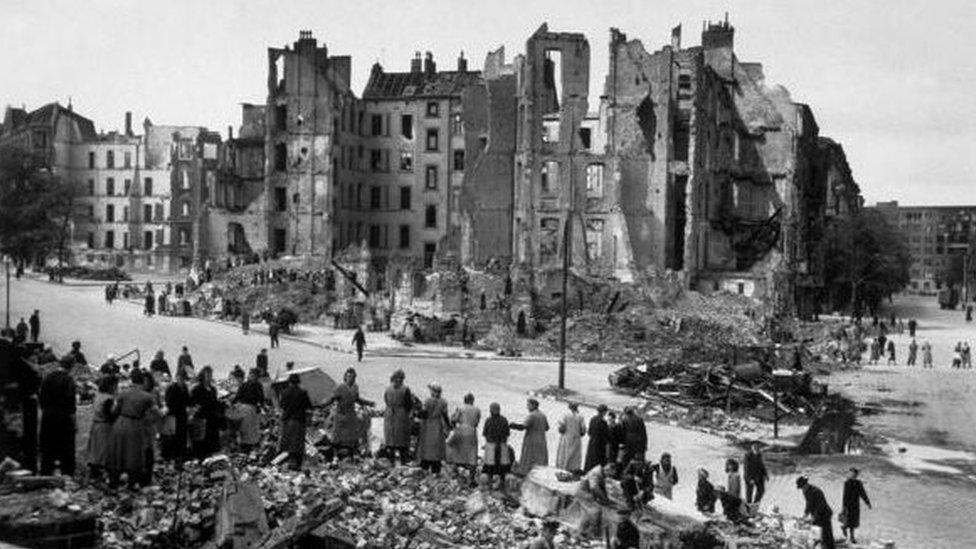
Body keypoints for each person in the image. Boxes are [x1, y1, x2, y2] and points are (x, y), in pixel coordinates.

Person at [109, 369, 159, 487]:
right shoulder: (148, 397)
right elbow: (156, 414)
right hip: (135, 425)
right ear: (143, 382)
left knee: (119, 452)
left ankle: (114, 480)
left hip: (120, 423)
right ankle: (132, 482)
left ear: (132, 380)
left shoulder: (123, 393)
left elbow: (114, 411)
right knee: (134, 454)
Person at [39, 356, 78, 475]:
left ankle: (46, 473)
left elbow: (41, 398)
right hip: (63, 417)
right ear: (71, 366)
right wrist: (74, 423)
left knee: (48, 447)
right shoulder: (69, 380)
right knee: (66, 449)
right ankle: (66, 474)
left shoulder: (48, 377)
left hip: (48, 416)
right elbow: (71, 406)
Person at [323, 368, 374, 456]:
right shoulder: (340, 388)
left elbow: (357, 399)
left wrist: (368, 403)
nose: (351, 378)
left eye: (353, 377)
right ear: (345, 377)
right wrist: (323, 405)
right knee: (337, 436)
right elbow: (333, 399)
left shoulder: (355, 387)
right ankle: (336, 456)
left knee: (351, 437)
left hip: (351, 415)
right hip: (341, 415)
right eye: (349, 376)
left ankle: (351, 455)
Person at [87, 375, 118, 481]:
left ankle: (94, 472)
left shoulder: (98, 395)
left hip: (96, 424)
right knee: (103, 450)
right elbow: (109, 415)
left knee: (95, 449)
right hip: (104, 426)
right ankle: (100, 472)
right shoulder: (108, 399)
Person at [279, 373, 312, 470]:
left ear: (289, 382)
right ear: (298, 382)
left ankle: (288, 462)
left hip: (288, 420)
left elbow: (282, 406)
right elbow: (308, 406)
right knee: (298, 443)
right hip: (299, 420)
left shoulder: (284, 392)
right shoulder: (303, 393)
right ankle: (297, 464)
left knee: (288, 442)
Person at [417, 383, 450, 474]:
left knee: (426, 446)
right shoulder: (444, 402)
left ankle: (425, 467)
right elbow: (445, 416)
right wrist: (449, 426)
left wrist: (416, 413)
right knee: (436, 447)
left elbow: (423, 414)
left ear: (432, 391)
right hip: (437, 424)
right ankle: (436, 469)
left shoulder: (427, 401)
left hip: (427, 425)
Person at [511, 398, 549, 475]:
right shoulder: (542, 415)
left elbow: (523, 427)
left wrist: (513, 425)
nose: (527, 407)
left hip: (532, 440)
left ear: (533, 405)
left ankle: (526, 472)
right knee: (539, 458)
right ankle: (539, 473)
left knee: (529, 457)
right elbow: (547, 428)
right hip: (541, 439)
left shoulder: (532, 416)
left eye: (528, 405)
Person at [382, 370, 414, 463]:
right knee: (402, 441)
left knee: (390, 440)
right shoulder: (405, 389)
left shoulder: (388, 388)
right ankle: (403, 462)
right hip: (401, 415)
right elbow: (409, 404)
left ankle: (390, 463)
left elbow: (386, 400)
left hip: (389, 414)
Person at [190, 366, 221, 459]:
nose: (209, 377)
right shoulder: (197, 389)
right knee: (200, 442)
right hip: (201, 418)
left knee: (211, 442)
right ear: (202, 375)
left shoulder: (213, 389)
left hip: (212, 419)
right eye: (207, 375)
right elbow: (193, 403)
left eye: (210, 375)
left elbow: (215, 402)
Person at [447, 392, 481, 478]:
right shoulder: (477, 410)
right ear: (472, 401)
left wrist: (453, 427)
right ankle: (472, 477)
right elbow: (476, 423)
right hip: (472, 431)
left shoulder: (460, 408)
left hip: (461, 429)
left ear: (464, 400)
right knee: (472, 452)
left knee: (457, 449)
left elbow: (454, 419)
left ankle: (455, 472)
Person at [797, 476, 835, 549]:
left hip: (824, 514)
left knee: (827, 535)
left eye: (802, 487)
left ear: (806, 485)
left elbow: (820, 506)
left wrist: (814, 517)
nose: (802, 489)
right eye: (801, 488)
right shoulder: (806, 492)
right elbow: (809, 504)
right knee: (815, 534)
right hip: (816, 515)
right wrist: (805, 514)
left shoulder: (817, 491)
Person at [482, 402, 513, 491]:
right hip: (502, 446)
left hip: (491, 446)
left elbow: (485, 433)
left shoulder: (488, 420)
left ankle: (489, 484)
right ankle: (502, 484)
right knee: (503, 468)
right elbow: (507, 434)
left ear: (491, 410)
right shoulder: (504, 420)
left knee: (489, 468)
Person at [233, 368, 265, 451]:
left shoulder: (244, 384)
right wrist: (262, 407)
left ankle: (243, 445)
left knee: (244, 428)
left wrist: (233, 404)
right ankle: (248, 446)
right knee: (250, 429)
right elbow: (261, 399)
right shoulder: (258, 385)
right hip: (250, 409)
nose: (251, 376)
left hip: (242, 408)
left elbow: (237, 396)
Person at [162, 370, 190, 461]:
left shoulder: (184, 387)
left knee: (182, 434)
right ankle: (174, 454)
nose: (181, 380)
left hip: (182, 414)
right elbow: (168, 401)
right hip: (174, 414)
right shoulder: (172, 388)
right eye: (180, 378)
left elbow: (187, 400)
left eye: (183, 378)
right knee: (174, 435)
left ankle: (181, 453)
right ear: (177, 378)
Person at [840, 467, 872, 545]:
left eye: (854, 473)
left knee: (853, 522)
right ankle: (845, 528)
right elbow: (845, 496)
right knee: (849, 520)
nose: (852, 475)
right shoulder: (846, 483)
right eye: (851, 473)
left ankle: (851, 536)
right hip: (848, 505)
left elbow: (863, 494)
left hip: (855, 505)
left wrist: (868, 503)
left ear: (856, 475)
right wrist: (843, 507)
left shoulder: (859, 483)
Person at [555, 402, 586, 474]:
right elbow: (583, 430)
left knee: (564, 453)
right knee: (575, 455)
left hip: (566, 436)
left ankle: (564, 468)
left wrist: (562, 431)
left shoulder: (565, 415)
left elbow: (561, 427)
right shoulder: (580, 416)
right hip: (576, 438)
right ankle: (573, 469)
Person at [584, 404, 610, 472]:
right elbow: (607, 435)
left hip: (592, 442)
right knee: (598, 460)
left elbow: (589, 432)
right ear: (604, 412)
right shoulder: (603, 422)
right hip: (600, 444)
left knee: (590, 458)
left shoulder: (593, 419)